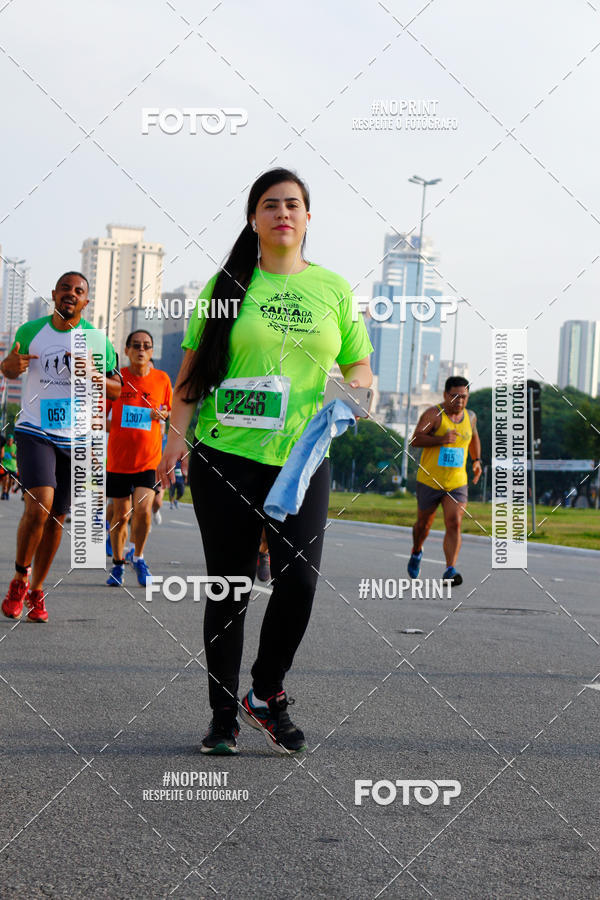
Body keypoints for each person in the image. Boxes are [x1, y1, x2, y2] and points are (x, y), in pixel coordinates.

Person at [158, 167, 373, 755]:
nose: (283, 213)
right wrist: (177, 438)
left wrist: (359, 389)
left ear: (308, 218)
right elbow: (194, 372)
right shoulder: (228, 286)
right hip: (226, 453)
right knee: (228, 586)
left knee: (298, 581)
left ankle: (266, 691)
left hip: (301, 458)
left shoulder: (332, 288)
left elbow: (358, 363)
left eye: (293, 205)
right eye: (270, 204)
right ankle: (221, 718)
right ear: (254, 218)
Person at [0, 272, 121, 622]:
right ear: (54, 293)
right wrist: (7, 367)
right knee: (40, 503)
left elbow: (115, 389)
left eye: (78, 291)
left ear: (87, 301)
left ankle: (37, 590)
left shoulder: (98, 341)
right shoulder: (30, 331)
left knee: (57, 519)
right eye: (65, 288)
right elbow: (9, 370)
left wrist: (93, 375)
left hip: (78, 437)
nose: (71, 294)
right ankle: (19, 579)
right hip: (35, 429)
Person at [106, 330, 172, 587]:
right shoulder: (117, 379)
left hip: (148, 460)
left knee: (143, 510)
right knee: (121, 515)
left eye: (146, 345)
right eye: (135, 345)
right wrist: (124, 423)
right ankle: (118, 564)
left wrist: (161, 414)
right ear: (126, 350)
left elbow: (168, 410)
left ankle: (140, 557)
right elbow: (103, 420)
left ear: (152, 351)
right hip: (119, 460)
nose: (141, 350)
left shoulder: (162, 379)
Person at [407, 376, 482, 587]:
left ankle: (450, 570)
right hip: (429, 481)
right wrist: (441, 439)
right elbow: (415, 440)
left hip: (457, 482)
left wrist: (476, 460)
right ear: (445, 395)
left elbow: (473, 437)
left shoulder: (471, 417)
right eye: (455, 396)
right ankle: (416, 551)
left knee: (454, 522)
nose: (459, 401)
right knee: (424, 525)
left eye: (464, 397)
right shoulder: (434, 415)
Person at [1, 435, 18, 499]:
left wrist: (14, 455)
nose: (9, 442)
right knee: (6, 478)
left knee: (11, 481)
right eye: (8, 440)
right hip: (5, 465)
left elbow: (18, 457)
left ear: (12, 441)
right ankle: (3, 492)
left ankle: (7, 493)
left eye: (11, 440)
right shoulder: (3, 446)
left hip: (13, 466)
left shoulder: (15, 447)